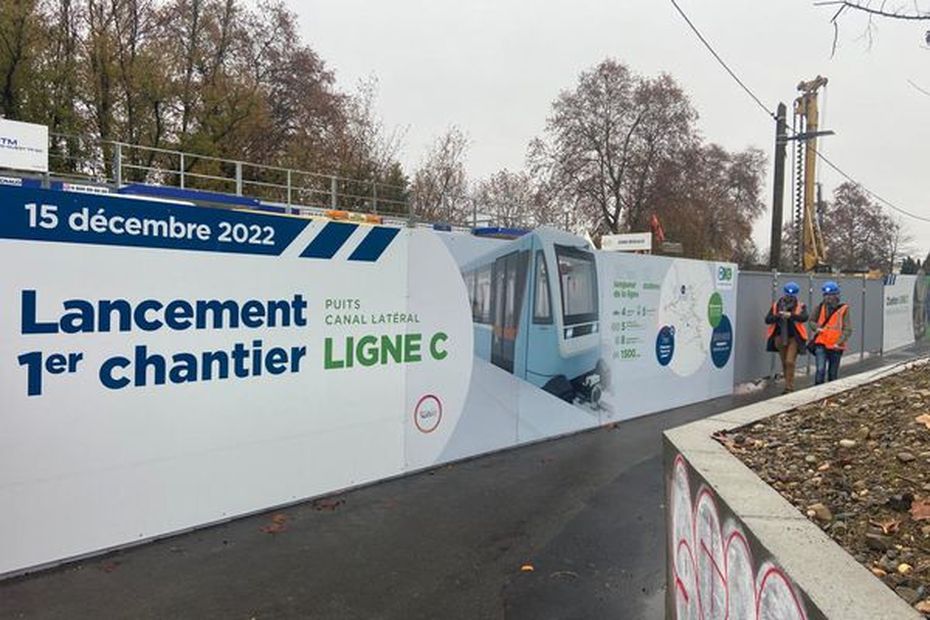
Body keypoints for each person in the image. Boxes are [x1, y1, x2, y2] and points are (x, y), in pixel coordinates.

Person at [765, 282, 809, 393]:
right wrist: (778, 316)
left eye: (792, 295)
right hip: (780, 338)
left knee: (790, 361)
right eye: (788, 294)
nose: (789, 297)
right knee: (784, 362)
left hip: (794, 338)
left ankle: (790, 386)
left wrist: (791, 316)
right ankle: (787, 385)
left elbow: (804, 317)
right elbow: (767, 319)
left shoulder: (800, 306)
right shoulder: (776, 305)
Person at [809, 281, 853, 385]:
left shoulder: (843, 309)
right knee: (820, 370)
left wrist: (839, 342)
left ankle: (829, 394)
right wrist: (816, 328)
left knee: (832, 374)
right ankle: (816, 392)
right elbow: (811, 321)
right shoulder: (819, 308)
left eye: (830, 295)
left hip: (836, 345)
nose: (828, 297)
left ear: (836, 295)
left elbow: (848, 329)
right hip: (821, 343)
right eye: (826, 295)